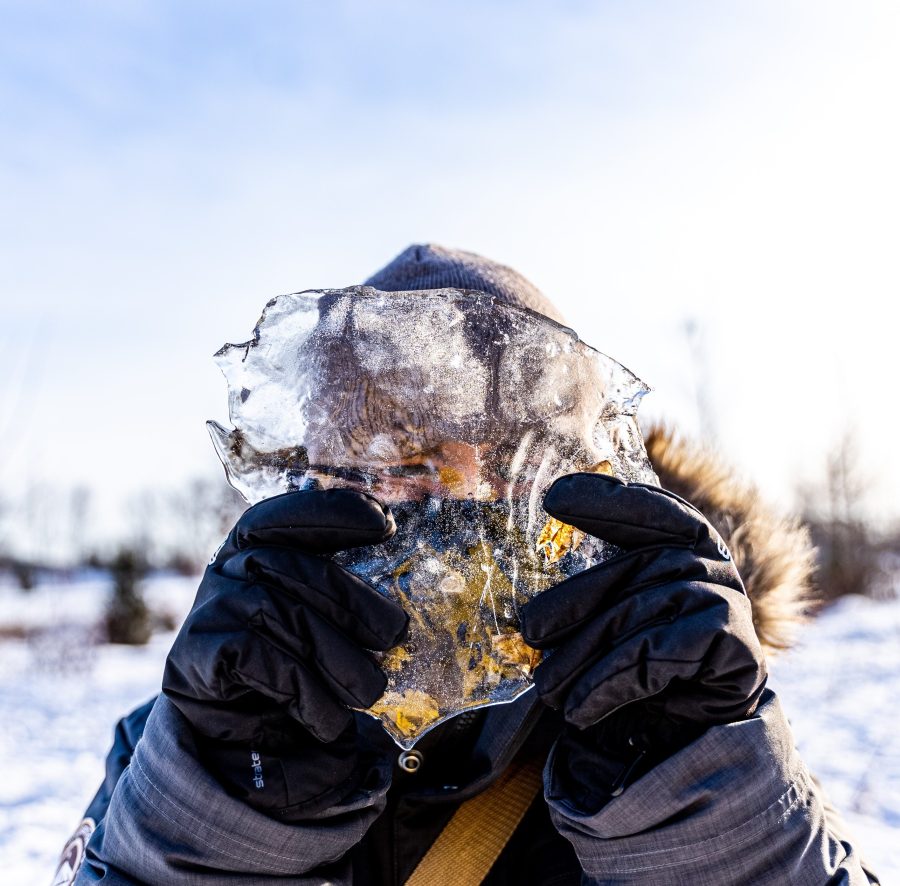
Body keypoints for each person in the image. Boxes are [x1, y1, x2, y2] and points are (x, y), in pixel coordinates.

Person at [59, 245, 878, 885]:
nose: (391, 499)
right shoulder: (199, 729)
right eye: (355, 459)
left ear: (560, 481)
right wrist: (225, 809)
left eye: (439, 458)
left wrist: (691, 796)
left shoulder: (682, 694)